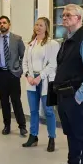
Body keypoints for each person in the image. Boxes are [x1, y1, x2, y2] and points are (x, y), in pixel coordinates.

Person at [49, 4, 83, 164]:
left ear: (79, 18)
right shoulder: (66, 40)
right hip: (63, 95)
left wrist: (80, 96)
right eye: (63, 15)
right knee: (70, 132)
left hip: (76, 96)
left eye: (68, 15)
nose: (64, 18)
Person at [0, 16, 28, 137]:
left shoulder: (17, 39)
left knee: (16, 100)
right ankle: (7, 125)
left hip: (13, 74)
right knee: (4, 101)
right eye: (0, 23)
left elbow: (23, 56)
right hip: (0, 74)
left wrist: (19, 70)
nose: (2, 25)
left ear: (9, 24)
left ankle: (22, 126)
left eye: (4, 23)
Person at [22, 17, 59, 152]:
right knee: (33, 111)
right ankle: (33, 136)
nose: (38, 27)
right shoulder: (30, 44)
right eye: (36, 25)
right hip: (32, 82)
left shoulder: (52, 44)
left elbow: (53, 64)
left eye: (41, 25)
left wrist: (39, 77)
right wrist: (28, 75)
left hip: (46, 82)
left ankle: (52, 138)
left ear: (46, 27)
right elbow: (24, 62)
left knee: (49, 111)